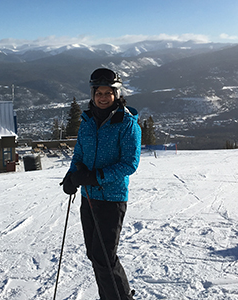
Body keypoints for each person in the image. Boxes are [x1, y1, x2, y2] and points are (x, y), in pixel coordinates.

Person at [61, 67, 141, 300]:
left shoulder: (126, 123)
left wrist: (96, 177)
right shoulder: (87, 121)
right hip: (89, 197)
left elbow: (129, 164)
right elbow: (79, 154)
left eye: (108, 93)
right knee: (94, 254)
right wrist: (71, 176)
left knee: (105, 256)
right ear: (93, 94)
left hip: (112, 199)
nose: (103, 97)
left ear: (117, 94)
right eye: (99, 93)